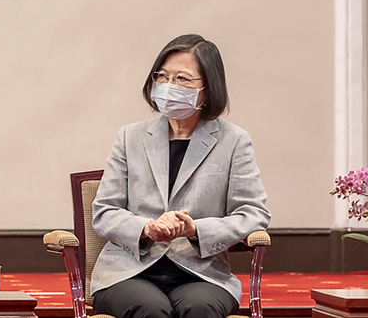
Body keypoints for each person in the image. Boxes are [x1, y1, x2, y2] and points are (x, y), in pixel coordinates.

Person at [89, 34, 270, 318]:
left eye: (182, 79)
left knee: (199, 308)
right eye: (162, 77)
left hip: (201, 273)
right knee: (150, 309)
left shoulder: (234, 141)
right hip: (128, 271)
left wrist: (196, 230)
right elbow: (104, 211)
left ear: (208, 88)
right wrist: (146, 228)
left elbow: (253, 213)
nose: (169, 86)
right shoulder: (130, 137)